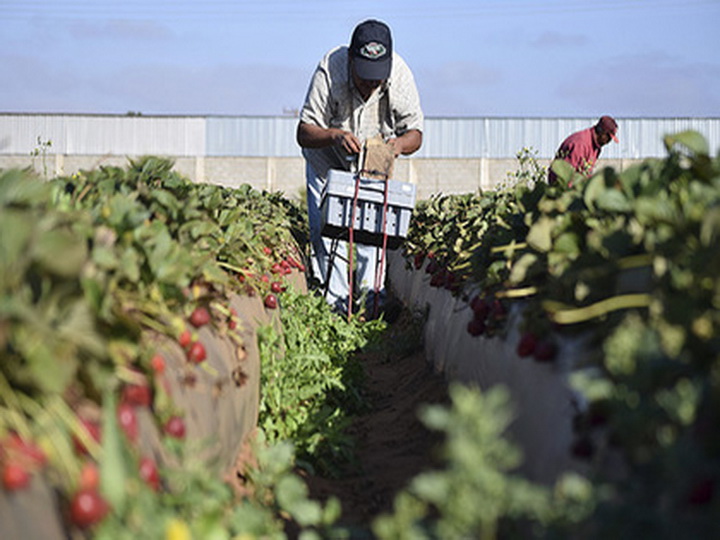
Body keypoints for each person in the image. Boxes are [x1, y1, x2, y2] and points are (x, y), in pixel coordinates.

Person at [296, 19, 424, 315]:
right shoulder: (330, 69)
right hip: (326, 159)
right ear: (351, 59)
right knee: (326, 229)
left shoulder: (400, 75)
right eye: (364, 76)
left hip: (373, 164)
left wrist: (396, 146)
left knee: (372, 230)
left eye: (376, 77)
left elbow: (415, 134)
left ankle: (370, 300)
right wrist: (335, 135)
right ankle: (336, 304)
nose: (370, 84)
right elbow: (303, 132)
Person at [547, 115, 619, 185]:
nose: (608, 141)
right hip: (561, 187)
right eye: (608, 137)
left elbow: (585, 173)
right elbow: (567, 175)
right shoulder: (581, 144)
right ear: (601, 131)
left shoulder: (596, 147)